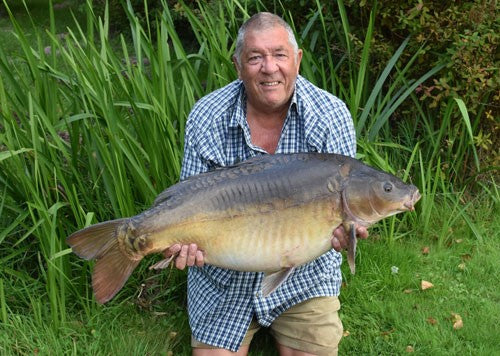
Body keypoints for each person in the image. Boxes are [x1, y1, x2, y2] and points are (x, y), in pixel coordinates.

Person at [163, 12, 368, 355]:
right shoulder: (207, 114)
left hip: (305, 279)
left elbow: (348, 205)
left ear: (297, 59)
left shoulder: (330, 115)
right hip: (222, 280)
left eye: (279, 55)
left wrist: (344, 234)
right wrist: (180, 242)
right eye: (255, 57)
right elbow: (188, 201)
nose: (269, 68)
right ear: (238, 66)